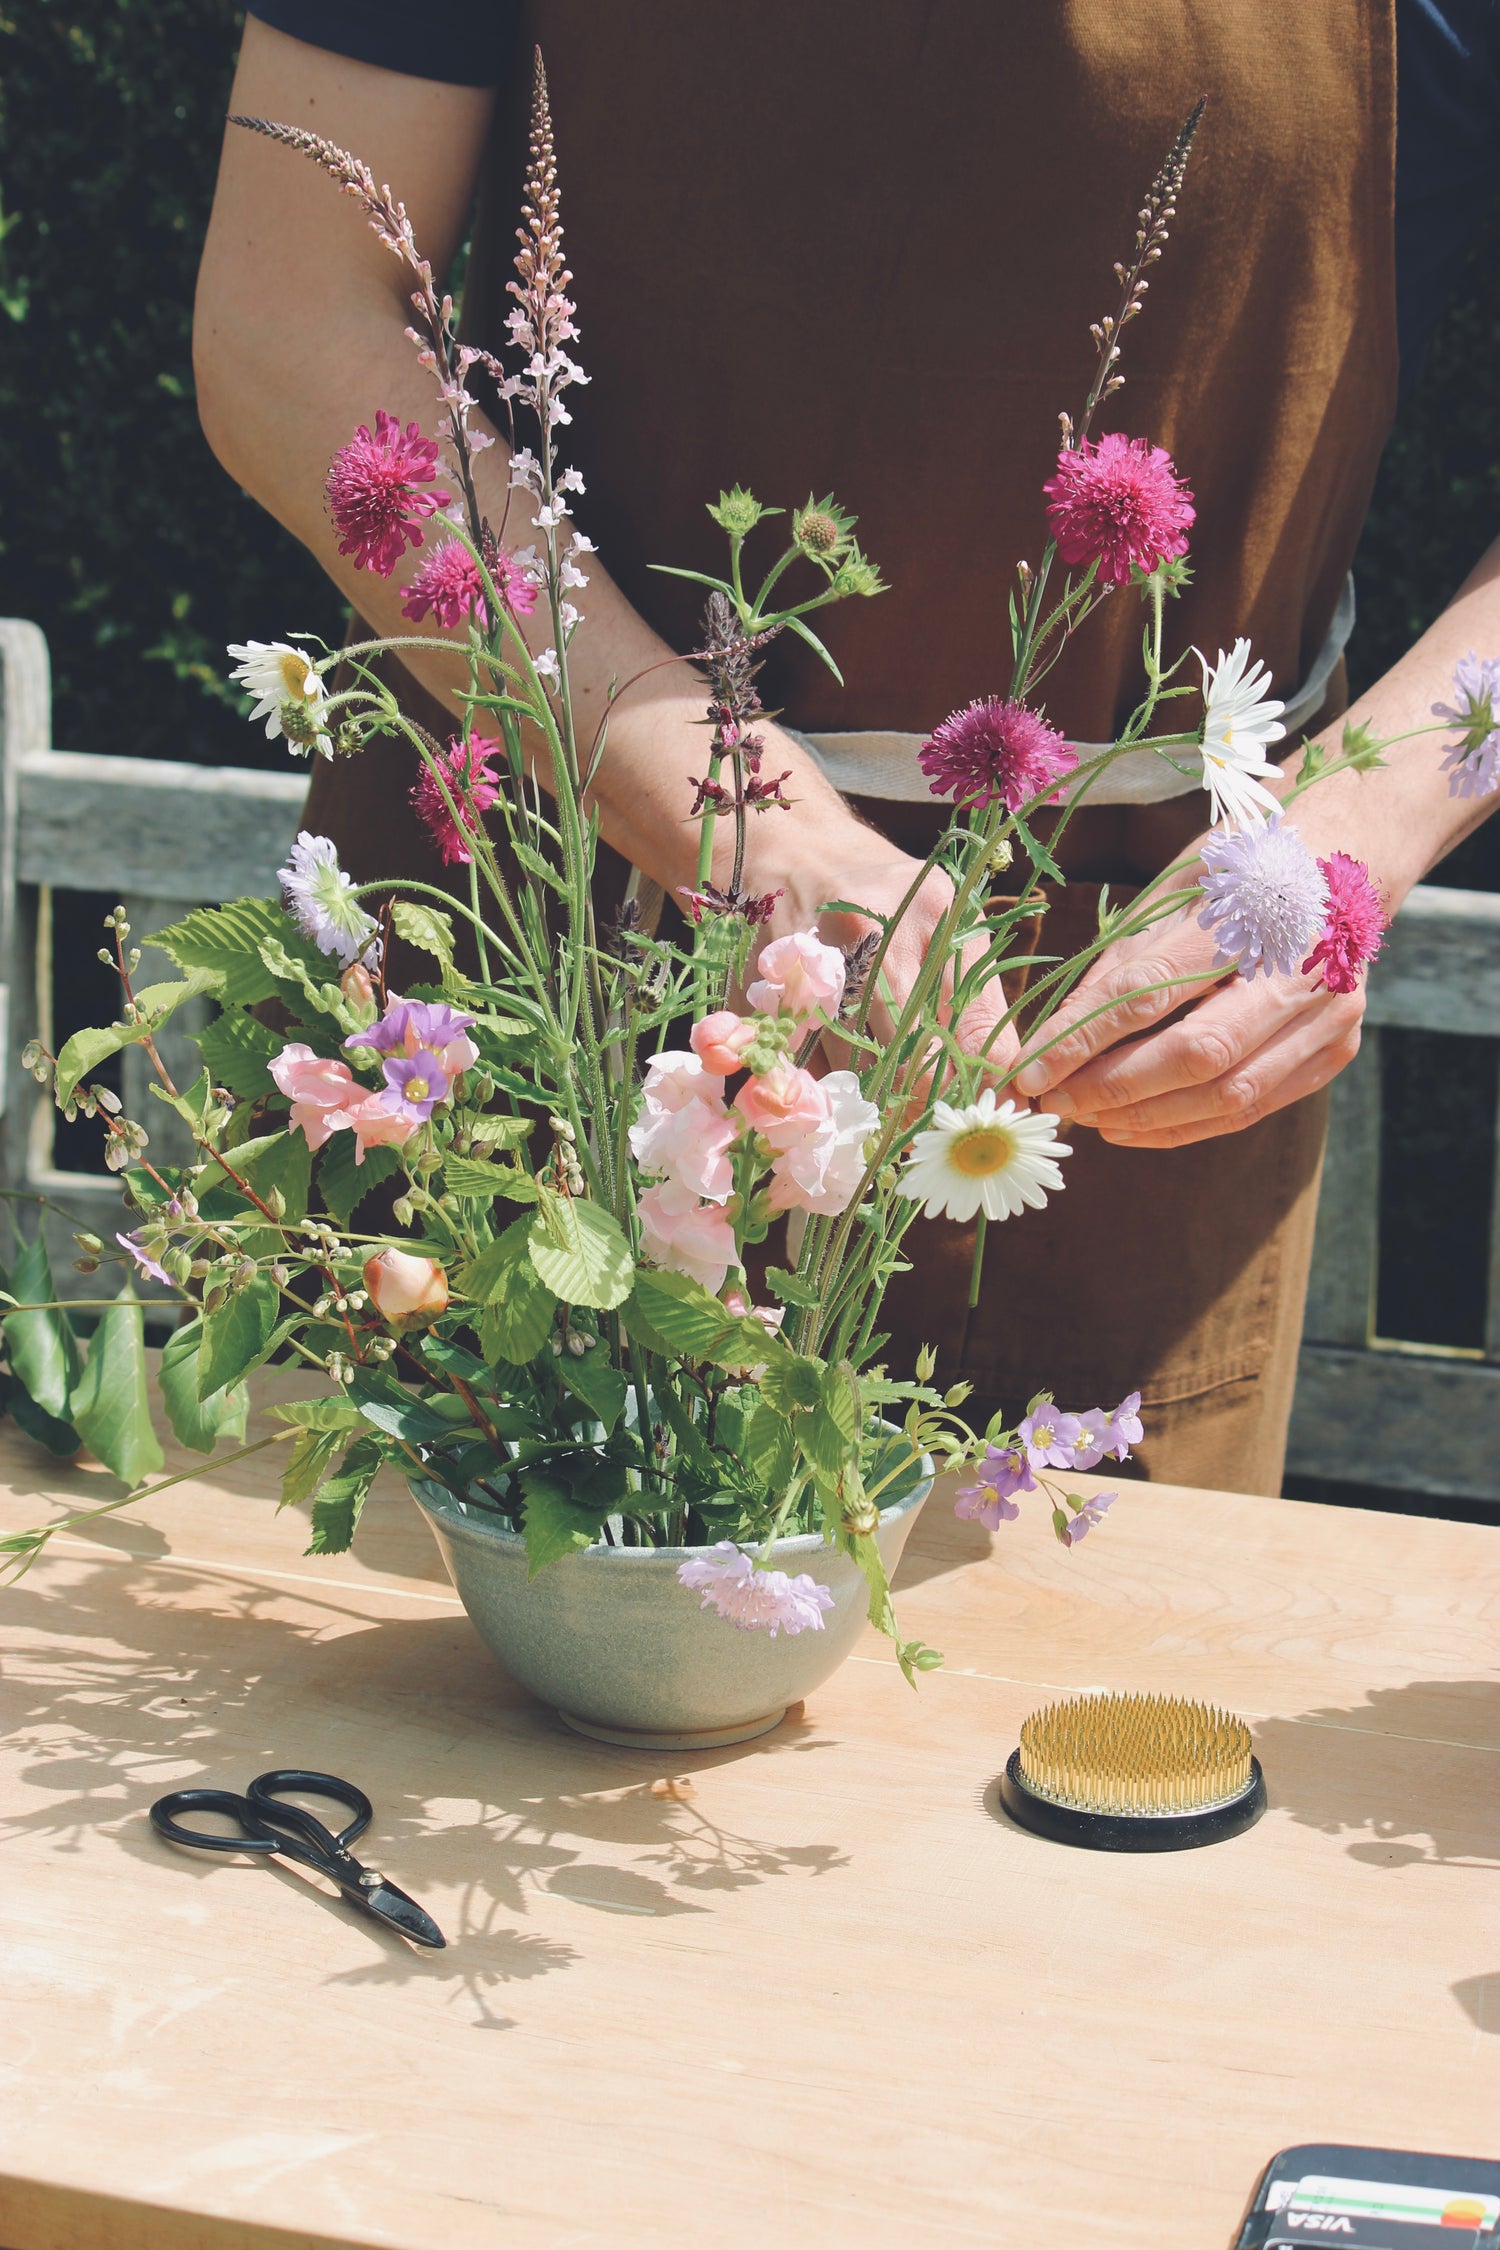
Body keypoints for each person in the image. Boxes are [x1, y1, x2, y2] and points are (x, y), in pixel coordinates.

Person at [193, 3, 1500, 1494]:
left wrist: (1364, 821)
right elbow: (288, 316)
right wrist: (717, 795)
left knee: (1050, 1716)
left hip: (1118, 1055)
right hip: (528, 941)